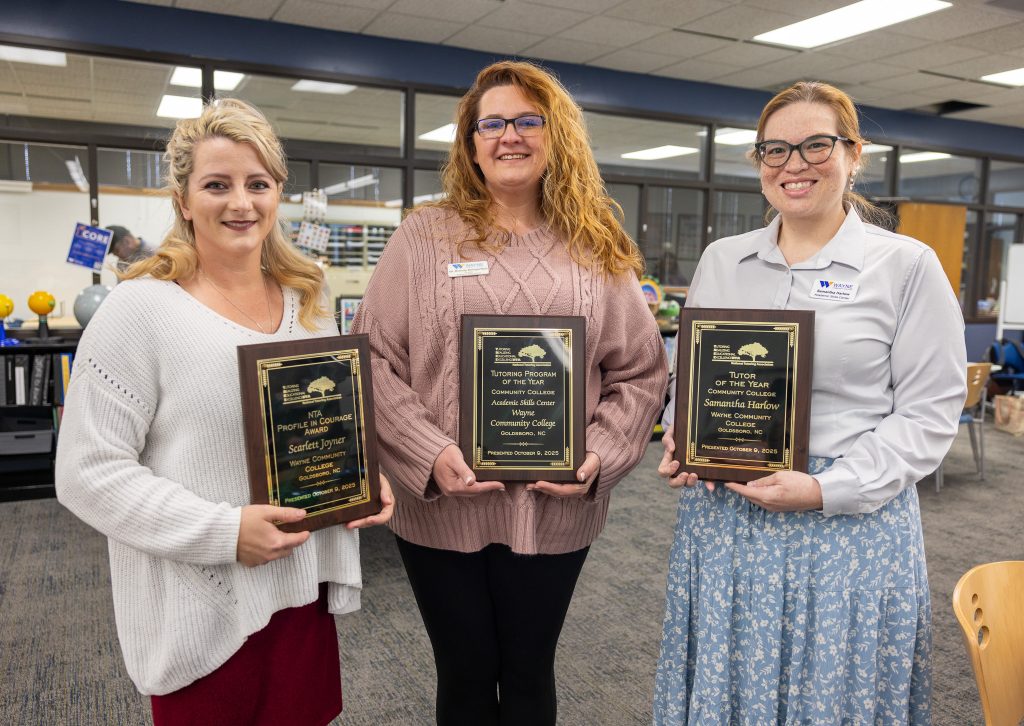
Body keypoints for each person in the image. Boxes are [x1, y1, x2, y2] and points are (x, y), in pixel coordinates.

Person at [55, 98, 393, 725]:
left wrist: (363, 475)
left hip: (299, 596)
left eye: (257, 184)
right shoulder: (139, 311)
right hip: (203, 610)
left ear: (278, 194)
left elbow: (320, 428)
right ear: (183, 200)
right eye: (217, 185)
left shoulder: (305, 304)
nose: (241, 203)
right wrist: (223, 532)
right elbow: (86, 471)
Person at [351, 60, 667, 725]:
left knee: (528, 673)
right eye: (491, 124)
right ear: (471, 144)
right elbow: (374, 358)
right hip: (439, 508)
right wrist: (429, 452)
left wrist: (601, 458)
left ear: (556, 136)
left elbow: (641, 371)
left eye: (528, 120)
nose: (509, 136)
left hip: (555, 508)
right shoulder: (422, 236)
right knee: (463, 675)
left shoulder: (597, 246)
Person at [653, 81, 967, 724]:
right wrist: (684, 437)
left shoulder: (906, 266)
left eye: (815, 145)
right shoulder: (723, 260)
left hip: (849, 523)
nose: (793, 164)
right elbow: (694, 377)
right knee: (729, 679)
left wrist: (827, 489)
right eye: (774, 150)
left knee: (833, 693)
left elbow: (931, 413)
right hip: (730, 517)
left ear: (856, 155)